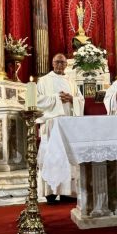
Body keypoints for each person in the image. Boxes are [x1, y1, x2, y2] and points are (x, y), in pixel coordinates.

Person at [37, 53, 84, 204]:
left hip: (68, 126)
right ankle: (50, 193)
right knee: (52, 157)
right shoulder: (43, 81)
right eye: (57, 62)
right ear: (52, 63)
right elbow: (38, 100)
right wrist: (57, 98)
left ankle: (67, 193)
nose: (59, 65)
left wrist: (72, 99)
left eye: (62, 63)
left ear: (66, 65)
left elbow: (80, 99)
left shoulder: (71, 82)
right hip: (51, 125)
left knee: (68, 158)